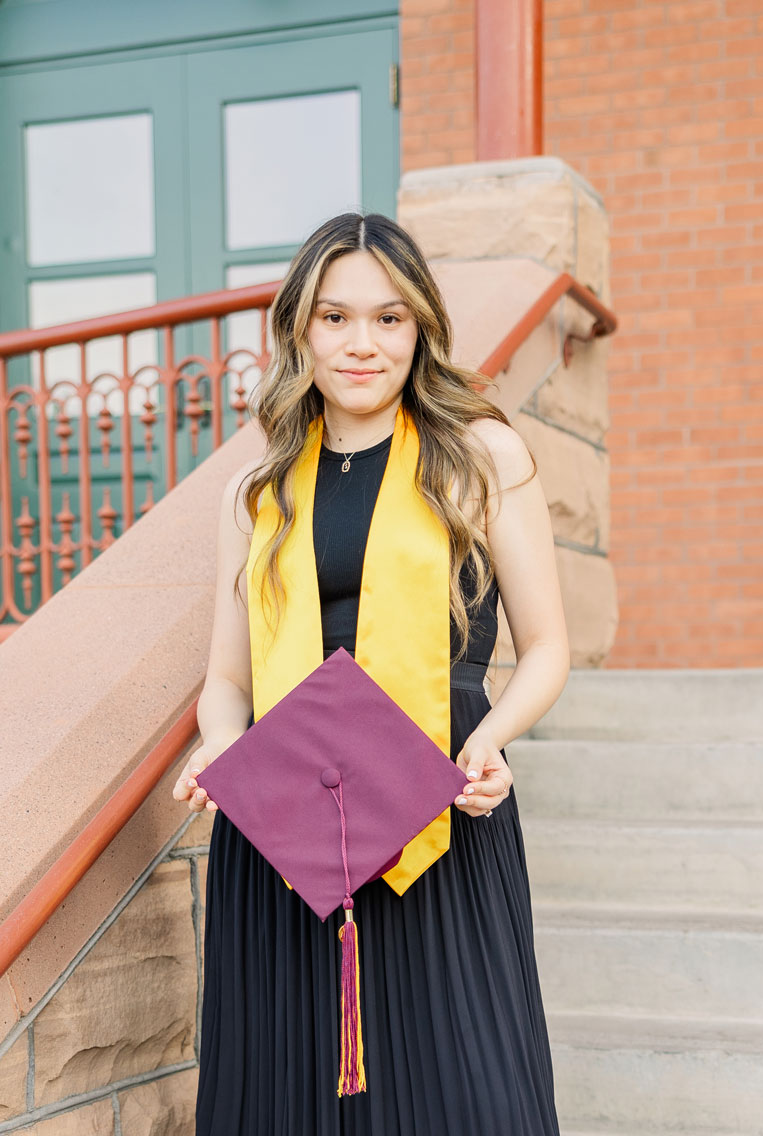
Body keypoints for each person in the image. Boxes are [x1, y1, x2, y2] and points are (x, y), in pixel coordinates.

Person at [172, 211, 570, 1135]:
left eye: (389, 319)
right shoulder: (257, 490)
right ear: (298, 330)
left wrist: (487, 744)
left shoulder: (481, 454)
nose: (362, 343)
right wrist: (224, 756)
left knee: (467, 1088)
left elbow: (546, 646)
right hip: (286, 825)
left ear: (422, 327)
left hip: (440, 802)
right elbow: (227, 680)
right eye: (335, 317)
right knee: (291, 1095)